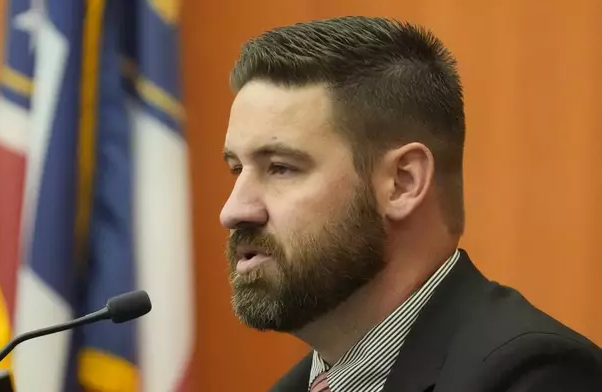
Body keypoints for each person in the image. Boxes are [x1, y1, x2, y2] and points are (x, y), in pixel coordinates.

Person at [218, 16, 602, 392]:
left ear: (403, 183)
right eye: (237, 169)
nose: (233, 211)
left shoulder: (535, 376)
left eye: (281, 168)